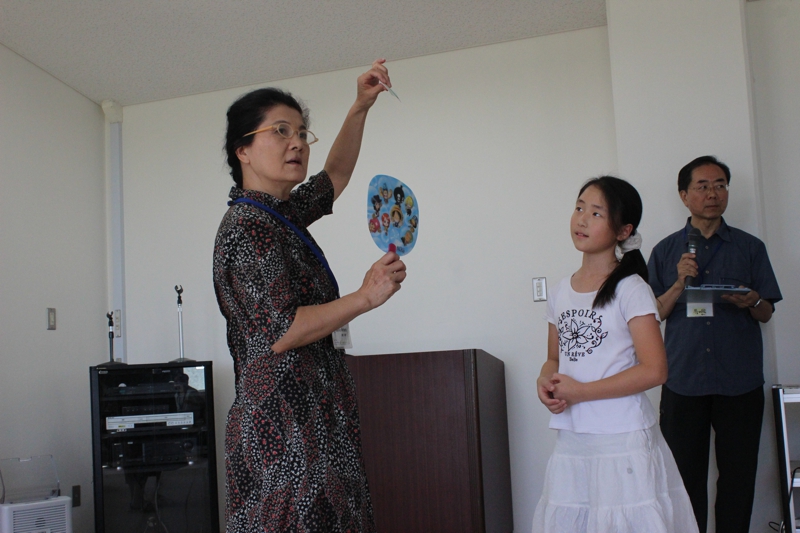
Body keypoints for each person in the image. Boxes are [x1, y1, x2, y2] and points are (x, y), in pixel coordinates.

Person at [213, 59, 406, 533]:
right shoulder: (247, 226)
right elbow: (282, 331)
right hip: (283, 433)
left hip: (316, 418)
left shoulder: (280, 215)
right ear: (243, 150)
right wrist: (365, 296)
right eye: (280, 131)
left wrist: (361, 106)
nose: (297, 142)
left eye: (301, 132)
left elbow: (335, 175)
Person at [533, 176, 697, 533]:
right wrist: (544, 380)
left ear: (624, 231)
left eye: (596, 213)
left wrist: (581, 391)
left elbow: (655, 370)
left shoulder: (632, 289)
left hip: (622, 436)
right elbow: (554, 359)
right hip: (573, 437)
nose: (582, 219)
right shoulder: (559, 293)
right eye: (579, 208)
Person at [647, 155, 782, 533]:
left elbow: (766, 312)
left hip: (739, 380)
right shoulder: (665, 251)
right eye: (703, 186)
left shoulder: (750, 247)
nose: (713, 193)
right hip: (683, 379)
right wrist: (679, 282)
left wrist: (752, 300)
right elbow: (653, 314)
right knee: (682, 479)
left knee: (739, 477)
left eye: (720, 185)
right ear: (684, 195)